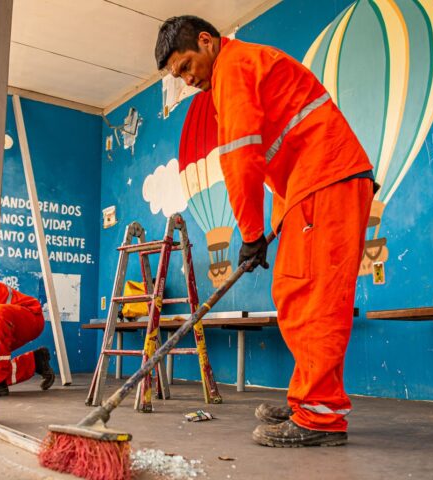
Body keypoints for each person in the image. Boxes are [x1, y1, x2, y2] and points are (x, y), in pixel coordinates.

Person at [156, 16, 377, 447]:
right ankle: (308, 401)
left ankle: (320, 417)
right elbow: (281, 145)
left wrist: (252, 233)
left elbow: (240, 156)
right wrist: (271, 225)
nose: (187, 79)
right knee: (295, 294)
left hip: (325, 181)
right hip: (314, 184)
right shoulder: (245, 64)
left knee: (313, 297)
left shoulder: (232, 69)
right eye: (179, 76)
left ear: (207, 41)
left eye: (186, 66)